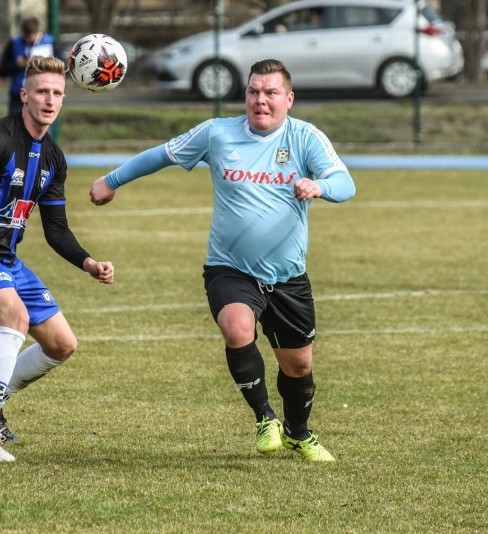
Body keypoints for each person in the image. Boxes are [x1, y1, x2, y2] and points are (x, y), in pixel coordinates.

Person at [89, 59, 355, 462]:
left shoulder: (305, 138)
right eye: (253, 92)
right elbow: (162, 154)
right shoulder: (217, 133)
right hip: (229, 267)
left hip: (287, 276)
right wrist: (111, 181)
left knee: (298, 367)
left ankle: (299, 433)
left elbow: (345, 184)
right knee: (236, 327)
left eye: (270, 93)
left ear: (289, 99)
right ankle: (265, 418)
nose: (260, 100)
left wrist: (318, 185)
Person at [0, 55, 114, 462]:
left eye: (57, 93)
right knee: (14, 319)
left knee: (61, 344)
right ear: (24, 96)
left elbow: (56, 229)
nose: (49, 100)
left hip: (7, 260)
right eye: (41, 92)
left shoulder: (54, 159)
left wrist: (88, 262)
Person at [0, 16, 60, 117]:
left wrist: (45, 65)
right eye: (27, 38)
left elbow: (62, 68)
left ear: (39, 31)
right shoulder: (14, 44)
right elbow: (1, 71)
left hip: (43, 96)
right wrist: (17, 65)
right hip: (18, 97)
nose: (29, 41)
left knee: (41, 128)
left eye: (32, 37)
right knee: (16, 129)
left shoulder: (50, 43)